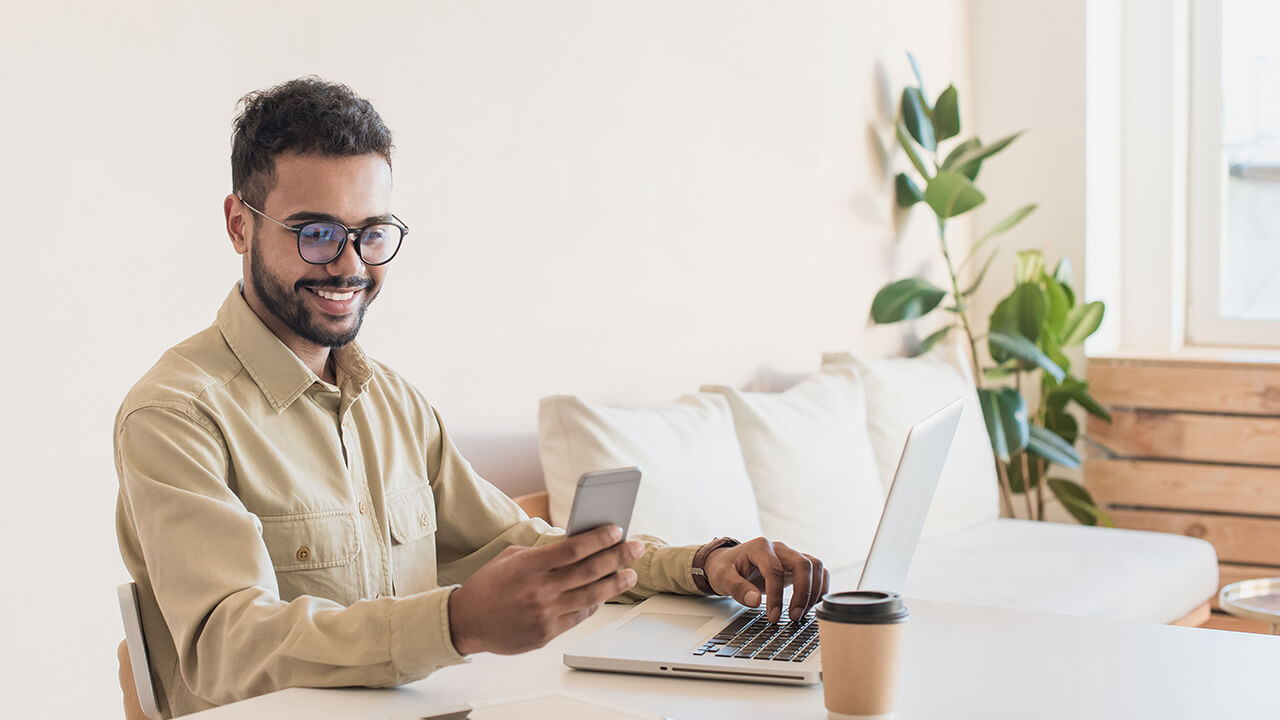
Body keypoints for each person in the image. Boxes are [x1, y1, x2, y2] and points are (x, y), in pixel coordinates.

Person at [115, 77, 830, 717]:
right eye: (317, 233)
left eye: (372, 234)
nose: (350, 264)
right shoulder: (175, 416)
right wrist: (458, 624)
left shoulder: (394, 404)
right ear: (240, 224)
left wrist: (705, 566)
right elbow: (228, 645)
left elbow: (519, 546)